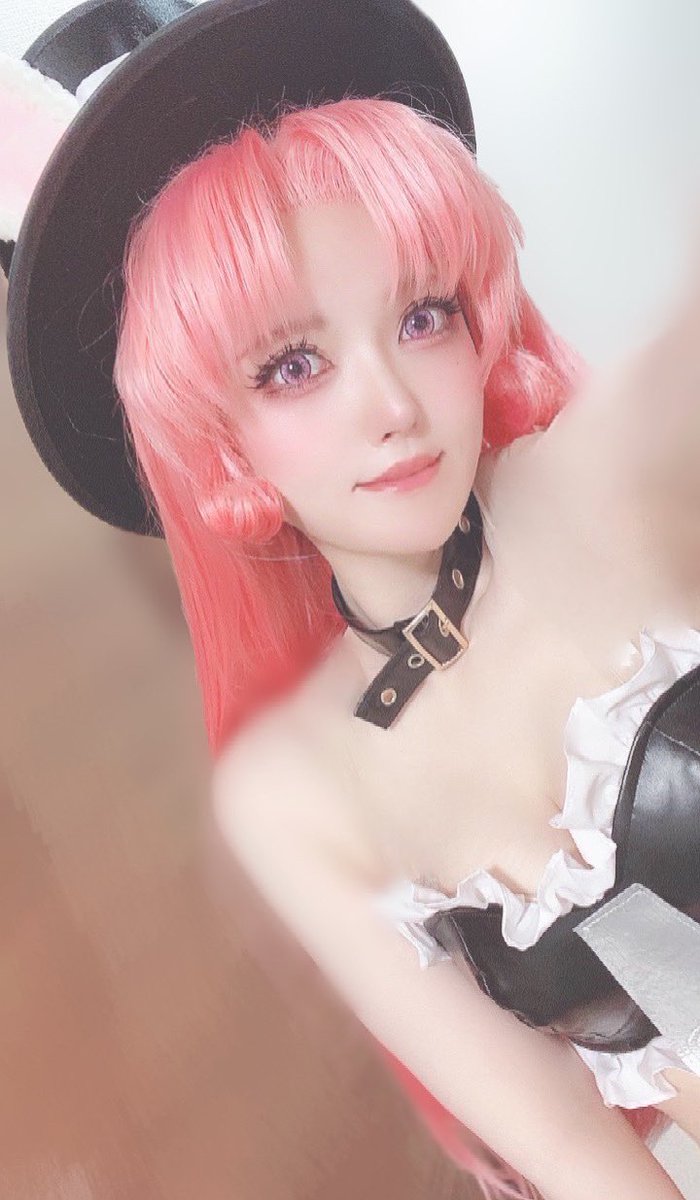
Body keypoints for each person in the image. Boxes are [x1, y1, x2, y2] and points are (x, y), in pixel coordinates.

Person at [3, 2, 700, 1197]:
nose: (391, 404)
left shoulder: (613, 472)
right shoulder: (294, 795)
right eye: (294, 365)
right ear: (214, 433)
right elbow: (580, 1164)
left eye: (421, 317)